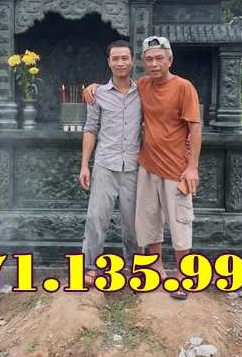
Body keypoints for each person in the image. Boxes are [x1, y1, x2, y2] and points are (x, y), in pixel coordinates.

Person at [84, 35, 202, 300]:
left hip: (173, 168)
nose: (155, 63)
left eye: (159, 58)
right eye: (150, 59)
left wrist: (192, 167)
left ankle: (182, 275)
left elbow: (195, 128)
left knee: (178, 222)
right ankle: (154, 268)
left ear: (170, 59)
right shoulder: (140, 87)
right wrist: (94, 87)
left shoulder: (181, 87)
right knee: (147, 221)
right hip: (145, 165)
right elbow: (96, 120)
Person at [79, 40, 143, 288]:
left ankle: (134, 265)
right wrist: (85, 165)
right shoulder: (98, 94)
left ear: (132, 61)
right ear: (108, 62)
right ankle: (89, 265)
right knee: (96, 218)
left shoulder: (143, 92)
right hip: (105, 164)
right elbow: (90, 129)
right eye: (115, 58)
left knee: (133, 222)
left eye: (125, 58)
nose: (120, 63)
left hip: (134, 166)